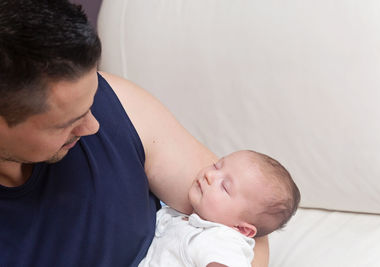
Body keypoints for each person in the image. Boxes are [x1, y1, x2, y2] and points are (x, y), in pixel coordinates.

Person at [0, 0, 269, 266]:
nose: (94, 126)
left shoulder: (121, 104)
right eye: (68, 122)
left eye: (93, 99)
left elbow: (247, 222)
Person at [139, 150, 300, 267]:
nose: (210, 175)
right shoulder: (182, 215)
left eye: (225, 186)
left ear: (241, 228)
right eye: (217, 166)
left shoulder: (223, 240)